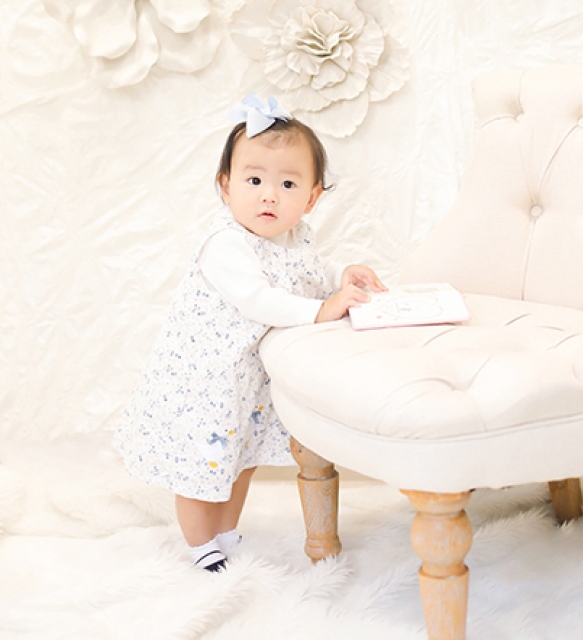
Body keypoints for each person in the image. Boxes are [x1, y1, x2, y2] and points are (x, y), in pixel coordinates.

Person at [114, 94, 386, 572]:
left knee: (241, 459)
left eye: (287, 184)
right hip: (204, 381)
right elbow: (260, 300)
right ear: (226, 186)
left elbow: (309, 273)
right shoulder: (226, 244)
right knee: (201, 467)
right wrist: (323, 311)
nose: (269, 196)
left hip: (244, 381)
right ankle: (200, 543)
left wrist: (342, 275)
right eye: (254, 180)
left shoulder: (293, 238)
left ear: (312, 198)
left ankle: (225, 530)